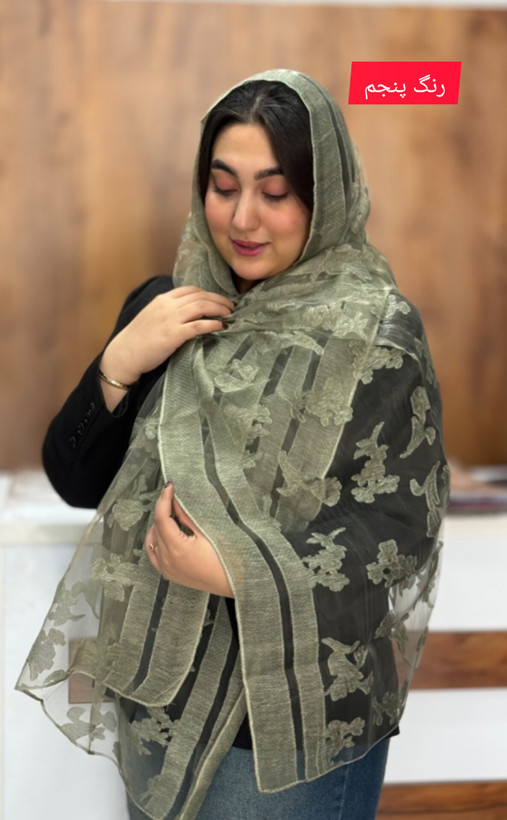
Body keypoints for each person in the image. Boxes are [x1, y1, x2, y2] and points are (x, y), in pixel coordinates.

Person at [17, 70, 449, 820]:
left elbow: (398, 534)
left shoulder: (376, 337)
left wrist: (236, 572)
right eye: (222, 187)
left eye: (274, 193)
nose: (242, 217)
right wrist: (122, 359)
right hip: (157, 699)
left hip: (289, 726)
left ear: (324, 196)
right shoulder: (170, 310)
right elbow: (76, 478)